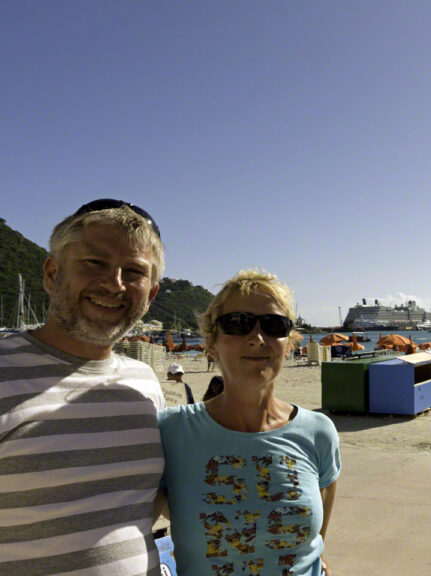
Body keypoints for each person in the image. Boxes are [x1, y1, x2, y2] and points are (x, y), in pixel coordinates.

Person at [0, 199, 166, 574]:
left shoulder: (143, 383)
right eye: (95, 264)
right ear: (51, 272)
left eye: (134, 271)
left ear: (151, 295)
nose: (114, 283)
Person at [159, 269, 341, 575]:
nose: (257, 338)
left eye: (274, 325)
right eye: (238, 324)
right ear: (211, 343)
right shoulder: (170, 432)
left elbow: (317, 541)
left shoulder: (318, 432)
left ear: (290, 342)